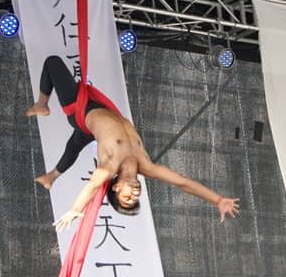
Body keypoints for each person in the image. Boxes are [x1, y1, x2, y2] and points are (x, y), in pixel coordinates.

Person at [26, 56, 240, 231]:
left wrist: (75, 210)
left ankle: (42, 104)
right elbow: (183, 183)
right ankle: (51, 177)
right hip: (98, 111)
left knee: (52, 62)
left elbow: (92, 186)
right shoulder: (147, 166)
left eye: (127, 198)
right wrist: (217, 199)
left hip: (81, 111)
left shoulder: (109, 165)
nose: (135, 195)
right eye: (136, 198)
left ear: (116, 187)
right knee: (76, 144)